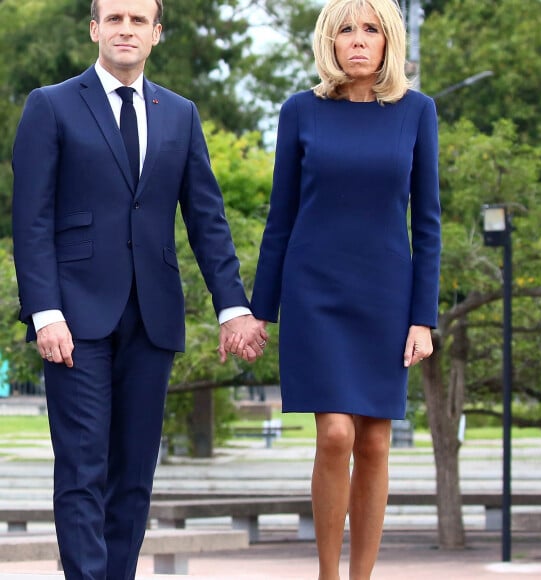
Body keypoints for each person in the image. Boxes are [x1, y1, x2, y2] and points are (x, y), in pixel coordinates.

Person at [11, 0, 266, 577]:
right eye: (115, 19)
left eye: (138, 20)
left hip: (153, 317)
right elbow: (30, 221)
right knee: (82, 469)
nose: (126, 29)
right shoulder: (50, 106)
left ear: (156, 34)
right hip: (74, 320)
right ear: (96, 29)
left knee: (133, 476)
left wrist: (233, 307)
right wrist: (45, 312)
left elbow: (207, 218)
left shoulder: (180, 114)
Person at [250, 0, 441, 578]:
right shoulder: (300, 112)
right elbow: (279, 217)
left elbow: (427, 222)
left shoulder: (417, 111)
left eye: (371, 29)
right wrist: (260, 309)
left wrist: (422, 317)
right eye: (345, 31)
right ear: (328, 43)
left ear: (389, 42)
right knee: (335, 433)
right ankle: (328, 574)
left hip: (386, 294)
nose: (357, 40)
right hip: (315, 294)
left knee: (376, 444)